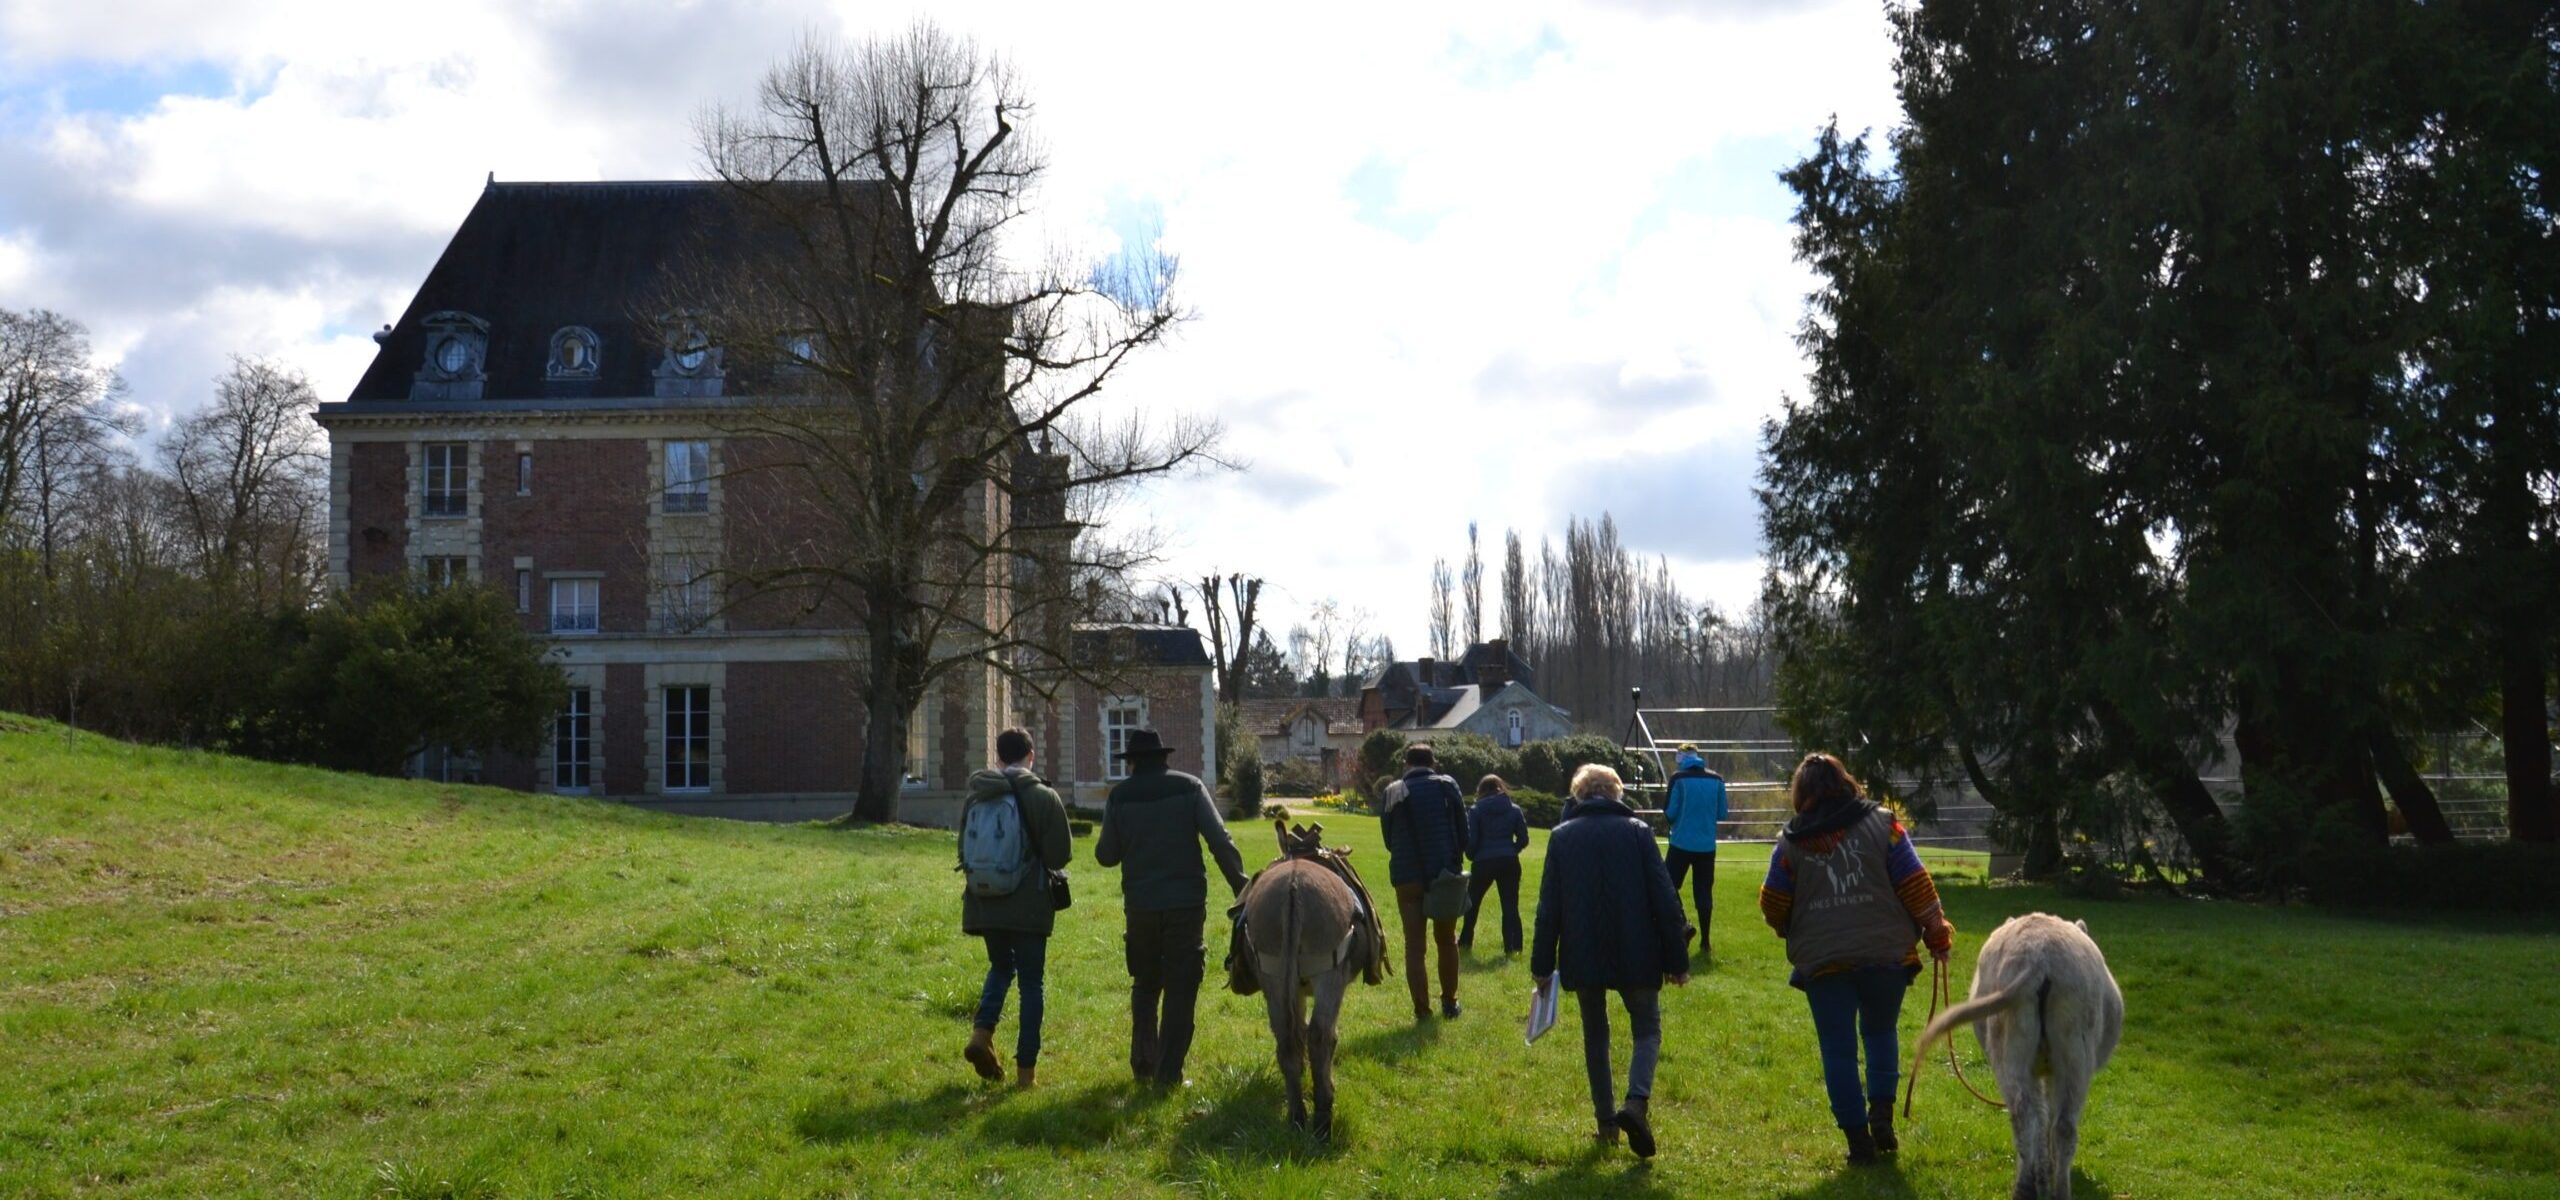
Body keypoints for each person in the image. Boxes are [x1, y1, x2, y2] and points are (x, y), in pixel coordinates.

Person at [1758, 752, 1955, 1166]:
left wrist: (1789, 927)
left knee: (1838, 1049)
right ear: (1845, 781)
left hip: (1823, 961)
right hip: (1886, 954)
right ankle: (1881, 1114)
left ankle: (1857, 1141)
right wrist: (1936, 933)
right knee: (1881, 1033)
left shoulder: (1790, 842)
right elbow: (1915, 884)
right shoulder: (1885, 825)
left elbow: (1773, 901)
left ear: (1801, 794)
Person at [1532, 763, 1690, 1158]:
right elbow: (1665, 899)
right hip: (1637, 947)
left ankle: (1606, 1124)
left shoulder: (1562, 837)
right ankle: (1636, 1102)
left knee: (1595, 1035)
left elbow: (1548, 907)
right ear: (1617, 793)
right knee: (1647, 1030)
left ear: (1579, 796)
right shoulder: (1637, 832)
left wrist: (1541, 964)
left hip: (1582, 952)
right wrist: (1677, 958)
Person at [1094, 728, 1251, 1087]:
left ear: (1131, 762)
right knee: (1182, 986)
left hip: (1141, 906)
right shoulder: (1190, 787)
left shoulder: (1119, 797)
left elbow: (1106, 856)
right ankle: (1168, 1074)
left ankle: (1143, 1063)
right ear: (1165, 757)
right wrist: (1241, 887)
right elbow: (1219, 841)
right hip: (1186, 904)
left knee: (1146, 983)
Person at [958, 728, 1072, 1089]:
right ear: (1031, 756)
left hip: (985, 901)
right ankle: (1026, 1074)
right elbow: (1059, 855)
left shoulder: (978, 795)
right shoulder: (1043, 795)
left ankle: (981, 1034)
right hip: (1030, 905)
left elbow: (963, 849)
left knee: (1000, 966)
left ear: (999, 756)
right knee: (1031, 984)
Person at [1380, 743, 1469, 1019]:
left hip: (1406, 877)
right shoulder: (1446, 785)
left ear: (1407, 763)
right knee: (1446, 940)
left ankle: (1421, 1008)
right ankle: (1450, 1002)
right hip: (1442, 873)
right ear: (1433, 763)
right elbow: (1463, 831)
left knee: (1414, 946)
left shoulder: (1393, 790)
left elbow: (1388, 840)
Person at [1661, 743, 1729, 956]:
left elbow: (1669, 813)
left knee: (1668, 886)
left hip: (1681, 843)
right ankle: (1706, 942)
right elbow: (1722, 814)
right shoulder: (1717, 780)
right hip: (1707, 846)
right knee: (1704, 891)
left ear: (1681, 757)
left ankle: (1683, 924)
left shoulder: (1678, 779)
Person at [1460, 774, 1530, 955]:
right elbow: (1523, 838)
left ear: (1481, 790)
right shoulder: (1514, 809)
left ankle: (1466, 940)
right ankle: (1513, 945)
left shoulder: (1476, 810)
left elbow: (1472, 840)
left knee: (1473, 903)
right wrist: (1512, 849)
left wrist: (1471, 854)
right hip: (1508, 860)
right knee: (1510, 905)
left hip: (1483, 861)